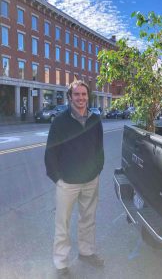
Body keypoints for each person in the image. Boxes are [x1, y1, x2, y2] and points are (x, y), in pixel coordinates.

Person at [45, 80, 104, 275]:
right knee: (62, 223)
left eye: (84, 94)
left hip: (90, 180)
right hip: (67, 183)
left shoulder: (95, 120)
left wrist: (96, 170)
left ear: (88, 97)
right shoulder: (60, 122)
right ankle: (61, 263)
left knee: (88, 219)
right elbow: (51, 152)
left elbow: (99, 149)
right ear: (70, 97)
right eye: (76, 94)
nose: (80, 98)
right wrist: (58, 178)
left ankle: (86, 252)